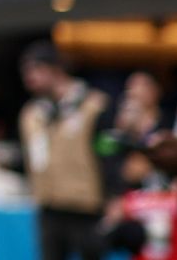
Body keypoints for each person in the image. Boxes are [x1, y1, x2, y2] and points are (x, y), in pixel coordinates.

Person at [20, 41, 113, 260]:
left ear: (56, 69)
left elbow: (108, 155)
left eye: (36, 69)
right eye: (25, 71)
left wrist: (113, 196)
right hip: (48, 205)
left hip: (85, 206)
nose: (29, 77)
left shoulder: (94, 104)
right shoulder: (31, 113)